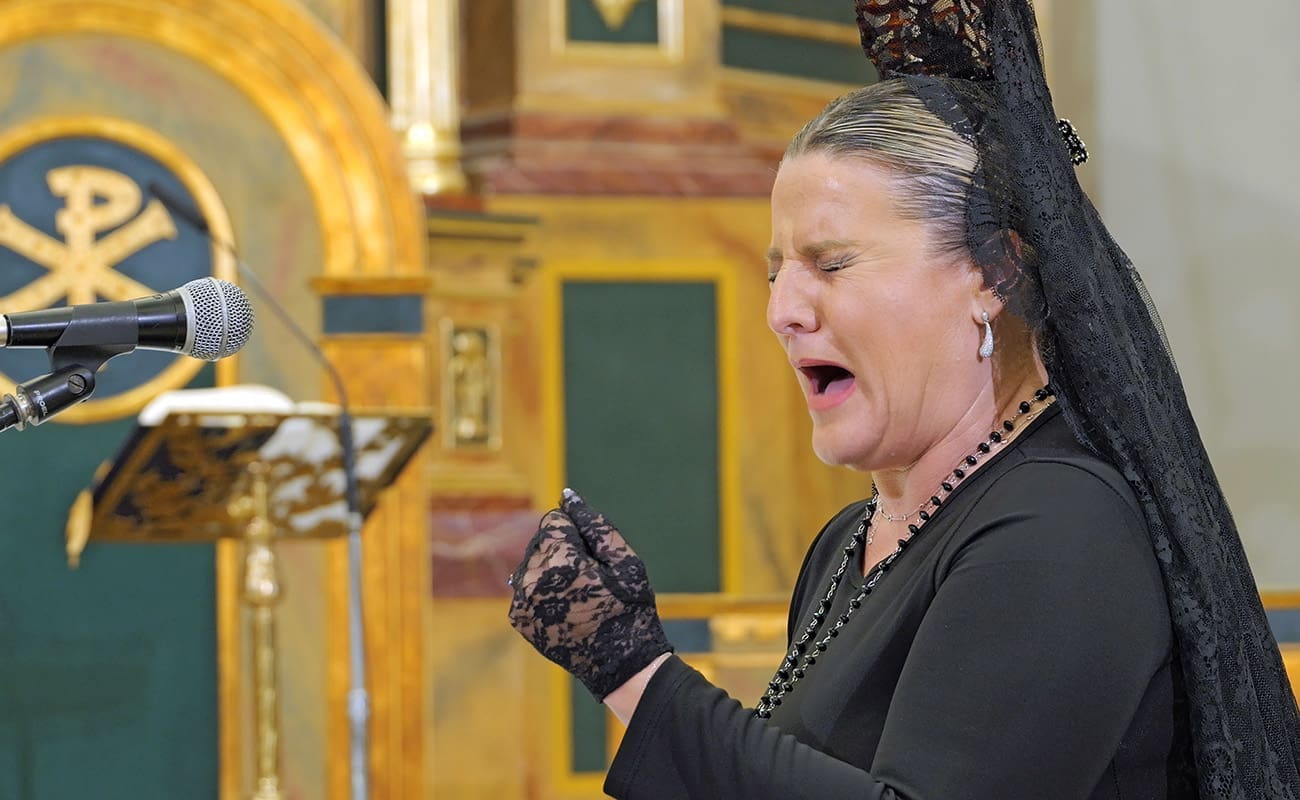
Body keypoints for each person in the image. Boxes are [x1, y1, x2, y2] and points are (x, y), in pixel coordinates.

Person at [507, 1, 1300, 798]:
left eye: (832, 263)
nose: (783, 309)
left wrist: (634, 672)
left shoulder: (1063, 526)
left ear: (993, 274)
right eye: (777, 270)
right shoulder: (847, 543)